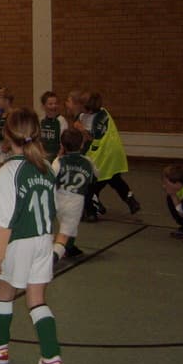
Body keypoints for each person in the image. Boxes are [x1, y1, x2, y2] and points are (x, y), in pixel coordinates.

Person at [0, 107, 64, 364]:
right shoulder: (46, 167)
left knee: (4, 292)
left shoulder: (8, 171)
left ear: (6, 135)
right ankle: (52, 361)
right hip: (43, 240)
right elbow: (52, 210)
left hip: (19, 242)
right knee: (37, 300)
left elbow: (3, 218)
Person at [75, 91, 140, 220]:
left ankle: (92, 210)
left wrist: (81, 132)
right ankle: (130, 199)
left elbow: (90, 140)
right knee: (115, 179)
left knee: (92, 185)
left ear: (87, 109)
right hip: (114, 154)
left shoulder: (90, 121)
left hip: (101, 156)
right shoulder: (105, 112)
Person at [52, 128, 96, 261]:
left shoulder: (59, 161)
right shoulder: (88, 162)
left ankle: (69, 248)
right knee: (65, 232)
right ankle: (54, 256)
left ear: (62, 145)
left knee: (69, 228)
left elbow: (51, 177)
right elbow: (95, 176)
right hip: (75, 202)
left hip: (59, 199)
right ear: (82, 144)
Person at [40, 91, 68, 162]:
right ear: (43, 106)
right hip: (44, 158)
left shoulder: (61, 121)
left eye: (56, 103)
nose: (54, 106)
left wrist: (57, 158)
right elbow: (38, 141)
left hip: (57, 158)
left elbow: (64, 144)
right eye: (50, 104)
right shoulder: (41, 120)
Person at [0, 87, 14, 169]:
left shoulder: (13, 115)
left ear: (6, 101)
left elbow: (15, 134)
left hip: (9, 149)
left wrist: (9, 145)